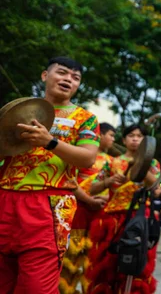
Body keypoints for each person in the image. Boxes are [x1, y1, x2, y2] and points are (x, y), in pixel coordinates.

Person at [0, 57, 100, 294]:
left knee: (36, 286)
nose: (68, 79)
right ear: (45, 76)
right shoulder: (17, 111)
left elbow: (88, 158)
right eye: (62, 73)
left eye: (75, 78)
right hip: (5, 199)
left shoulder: (85, 118)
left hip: (49, 205)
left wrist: (50, 142)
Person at [86, 124, 161, 294]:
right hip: (112, 219)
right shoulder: (111, 162)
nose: (135, 139)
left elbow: (155, 186)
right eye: (131, 135)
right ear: (124, 140)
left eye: (140, 136)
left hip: (141, 218)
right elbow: (92, 188)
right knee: (108, 266)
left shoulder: (152, 163)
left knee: (138, 265)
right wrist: (109, 181)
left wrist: (141, 165)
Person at [60, 122, 116, 294]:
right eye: (111, 135)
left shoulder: (112, 162)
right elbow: (70, 180)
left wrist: (106, 197)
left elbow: (116, 190)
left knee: (95, 258)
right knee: (71, 256)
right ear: (100, 135)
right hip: (77, 211)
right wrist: (88, 199)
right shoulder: (79, 155)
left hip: (99, 212)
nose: (113, 139)